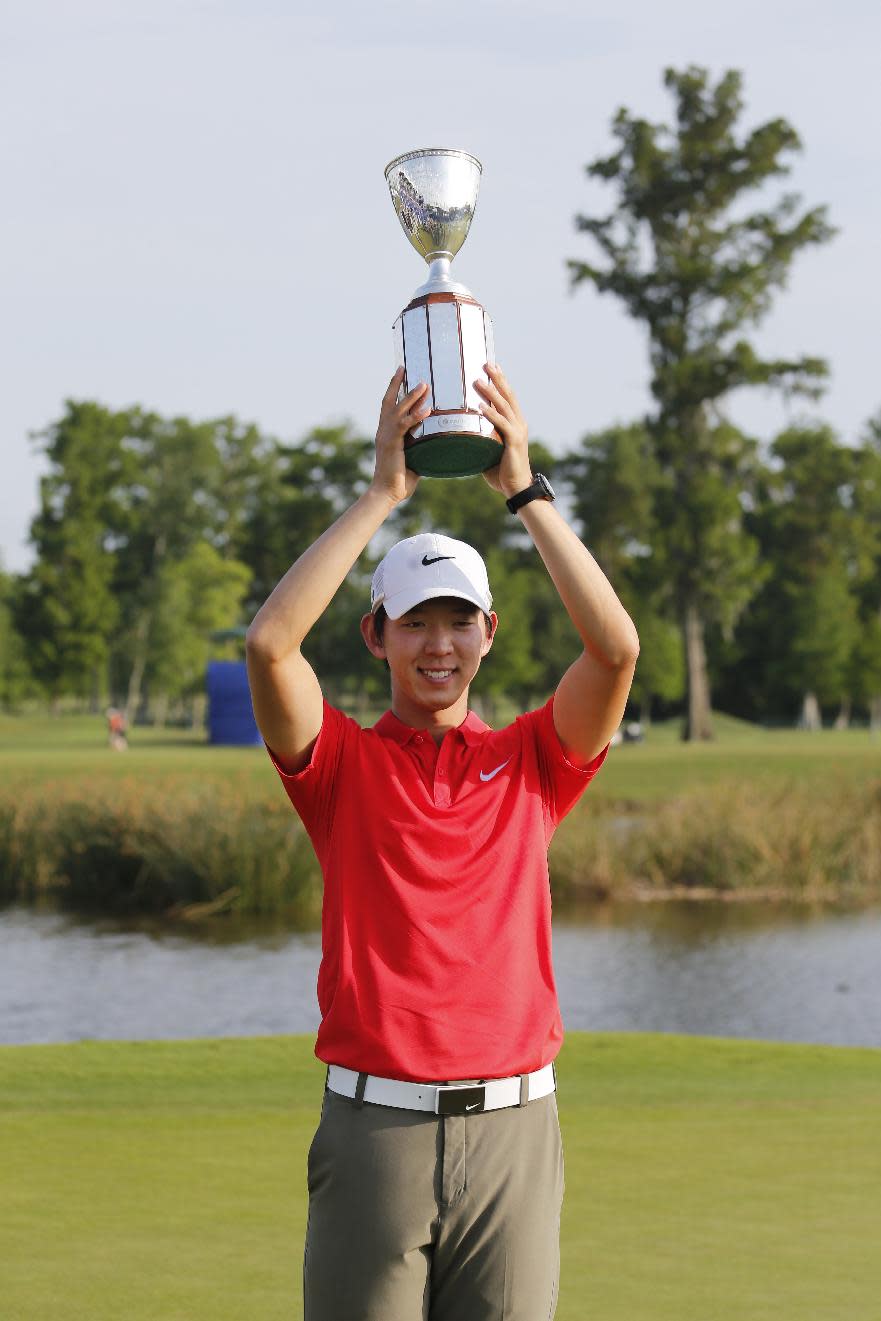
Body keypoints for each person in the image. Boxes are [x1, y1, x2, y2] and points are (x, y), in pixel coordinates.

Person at [245, 364, 639, 1320]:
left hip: (513, 1131)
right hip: (374, 1126)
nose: (438, 644)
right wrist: (384, 492)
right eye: (414, 621)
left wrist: (523, 490)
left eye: (457, 620)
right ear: (376, 636)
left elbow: (616, 648)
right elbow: (269, 647)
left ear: (488, 633)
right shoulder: (338, 765)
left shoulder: (535, 760)